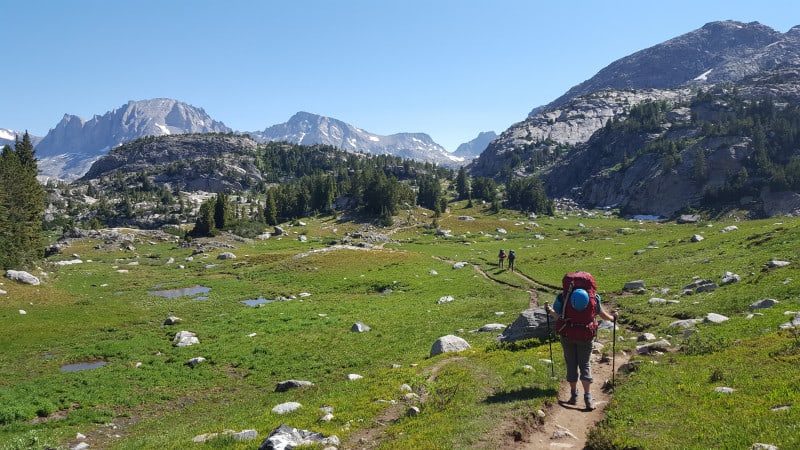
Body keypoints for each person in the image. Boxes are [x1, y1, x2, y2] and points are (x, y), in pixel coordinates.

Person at [545, 282, 617, 410]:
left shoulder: (563, 297)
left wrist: (549, 310)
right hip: (586, 336)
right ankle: (588, 398)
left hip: (567, 335)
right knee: (585, 364)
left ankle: (573, 396)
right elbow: (603, 315)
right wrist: (613, 317)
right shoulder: (594, 298)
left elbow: (558, 316)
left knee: (571, 363)